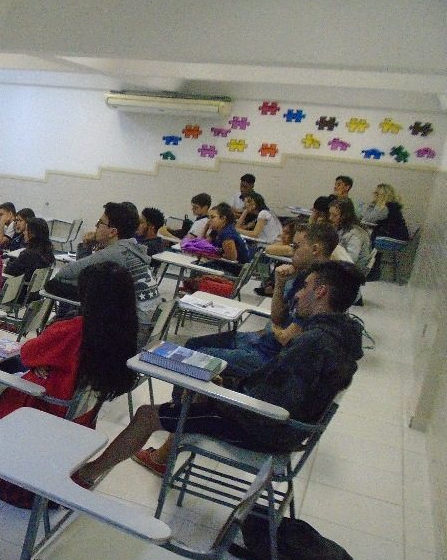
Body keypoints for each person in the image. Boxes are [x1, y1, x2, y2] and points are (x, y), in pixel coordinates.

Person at [73, 260, 365, 485]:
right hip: (281, 424)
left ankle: (87, 474)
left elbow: (270, 405)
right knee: (195, 388)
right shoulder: (341, 336)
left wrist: (219, 393)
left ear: (321, 291)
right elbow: (278, 387)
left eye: (305, 287)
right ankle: (163, 453)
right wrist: (225, 385)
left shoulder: (314, 342)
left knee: (147, 415)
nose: (298, 294)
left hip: (267, 430)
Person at [0, 261, 139, 433]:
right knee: (7, 364)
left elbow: (27, 353)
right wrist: (45, 364)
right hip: (77, 415)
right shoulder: (124, 334)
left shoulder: (74, 329)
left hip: (40, 406)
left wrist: (40, 362)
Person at [185, 222, 340, 380]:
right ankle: (183, 403)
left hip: (268, 358)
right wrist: (279, 283)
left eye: (296, 246)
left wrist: (273, 328)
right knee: (191, 344)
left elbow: (286, 337)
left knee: (192, 357)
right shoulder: (302, 276)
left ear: (314, 249)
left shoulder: (318, 290)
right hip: (260, 342)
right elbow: (278, 318)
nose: (292, 251)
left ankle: (184, 404)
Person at [48, 201, 160, 346]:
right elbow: (85, 275)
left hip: (131, 334)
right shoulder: (134, 249)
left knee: (67, 327)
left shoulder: (117, 252)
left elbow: (65, 272)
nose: (96, 226)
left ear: (113, 232)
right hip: (146, 326)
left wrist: (86, 245)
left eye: (100, 222)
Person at [3, 216, 55, 284]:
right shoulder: (49, 253)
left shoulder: (28, 255)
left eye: (26, 230)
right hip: (33, 291)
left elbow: (8, 270)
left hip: (20, 290)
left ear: (33, 234)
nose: (24, 233)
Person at [202, 202, 249, 274]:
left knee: (196, 271)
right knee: (196, 266)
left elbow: (232, 257)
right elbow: (204, 244)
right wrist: (206, 228)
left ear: (223, 218)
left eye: (213, 217)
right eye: (209, 217)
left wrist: (215, 253)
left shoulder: (227, 234)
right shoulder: (218, 230)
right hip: (223, 265)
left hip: (232, 271)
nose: (209, 220)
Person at [329, 197, 371, 273]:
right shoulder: (341, 228)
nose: (330, 218)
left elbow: (350, 260)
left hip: (351, 273)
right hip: (342, 268)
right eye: (330, 214)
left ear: (345, 216)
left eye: (334, 215)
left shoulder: (355, 234)